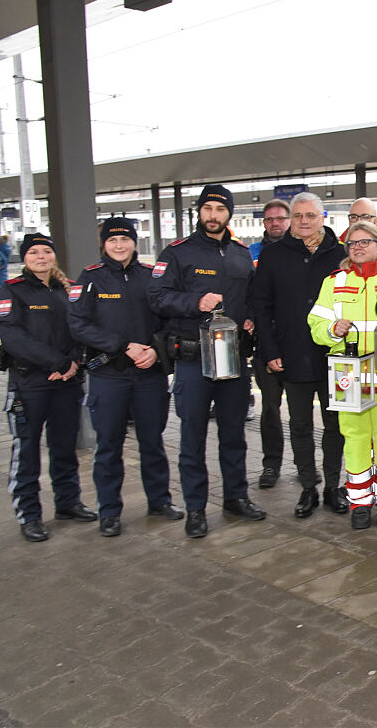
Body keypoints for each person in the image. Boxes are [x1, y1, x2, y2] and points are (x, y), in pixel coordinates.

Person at [147, 184, 267, 539]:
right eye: (208, 208)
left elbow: (249, 297)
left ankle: (236, 497)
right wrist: (194, 302)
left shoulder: (241, 254)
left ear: (229, 214)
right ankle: (196, 509)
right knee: (192, 437)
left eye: (220, 209)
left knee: (234, 434)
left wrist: (249, 318)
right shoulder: (177, 253)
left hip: (233, 358)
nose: (213, 215)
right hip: (192, 359)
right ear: (199, 212)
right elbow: (156, 297)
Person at [68, 218, 182, 537]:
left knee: (152, 442)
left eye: (125, 239)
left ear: (134, 241)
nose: (119, 246)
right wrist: (123, 346)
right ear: (103, 244)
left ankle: (159, 500)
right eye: (112, 240)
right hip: (109, 375)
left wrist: (155, 351)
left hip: (149, 375)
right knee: (108, 446)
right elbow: (78, 324)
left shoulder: (151, 277)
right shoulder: (91, 278)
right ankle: (109, 511)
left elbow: (170, 318)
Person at [251, 192, 348, 518]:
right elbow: (261, 308)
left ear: (323, 217)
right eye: (298, 216)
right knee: (300, 425)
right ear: (290, 219)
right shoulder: (273, 255)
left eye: (310, 215)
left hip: (334, 355)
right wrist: (270, 350)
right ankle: (308, 487)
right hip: (291, 354)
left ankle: (334, 485)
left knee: (336, 425)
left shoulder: (341, 255)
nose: (304, 221)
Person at [308, 220, 377, 530]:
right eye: (353, 243)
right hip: (348, 373)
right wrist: (331, 331)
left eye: (366, 242)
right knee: (354, 437)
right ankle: (360, 501)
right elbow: (315, 324)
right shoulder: (334, 282)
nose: (358, 247)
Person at [0, 232, 96, 542]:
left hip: (67, 384)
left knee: (64, 447)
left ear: (54, 256)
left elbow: (82, 330)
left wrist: (74, 364)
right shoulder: (11, 291)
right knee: (26, 451)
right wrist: (58, 364)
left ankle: (68, 503)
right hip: (30, 386)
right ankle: (29, 514)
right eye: (34, 252)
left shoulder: (66, 290)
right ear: (24, 258)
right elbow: (13, 337)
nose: (41, 257)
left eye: (46, 252)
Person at [249, 198, 291, 488]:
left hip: (299, 345)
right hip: (267, 342)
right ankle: (271, 464)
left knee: (302, 414)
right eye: (269, 219)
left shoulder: (299, 250)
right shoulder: (250, 253)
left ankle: (307, 465)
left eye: (279, 218)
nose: (274, 223)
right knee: (270, 410)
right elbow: (250, 295)